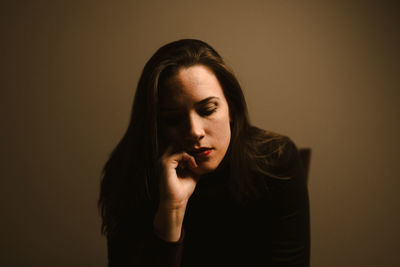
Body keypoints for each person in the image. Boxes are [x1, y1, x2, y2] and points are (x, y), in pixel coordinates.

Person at [98, 39, 310, 267]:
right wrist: (172, 211)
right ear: (156, 125)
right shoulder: (129, 174)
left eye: (207, 109)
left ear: (231, 107)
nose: (194, 132)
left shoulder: (274, 161)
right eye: (173, 119)